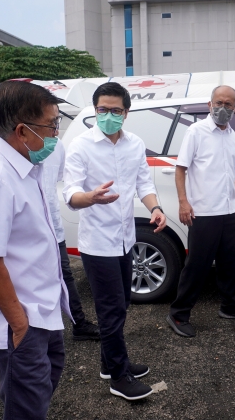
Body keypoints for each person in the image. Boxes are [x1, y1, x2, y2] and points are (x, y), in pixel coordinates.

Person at [0, 80, 72, 420]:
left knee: (38, 388)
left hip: (40, 306)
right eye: (52, 125)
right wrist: (20, 325)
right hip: (20, 317)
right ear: (23, 131)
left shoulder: (25, 166)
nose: (56, 133)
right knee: (28, 404)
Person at [63, 82, 166, 401]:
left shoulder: (135, 143)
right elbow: (70, 193)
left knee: (121, 304)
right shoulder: (80, 146)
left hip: (125, 239)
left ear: (126, 112)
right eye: (102, 110)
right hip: (97, 244)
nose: (108, 115)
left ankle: (110, 363)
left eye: (116, 110)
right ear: (95, 110)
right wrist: (89, 198)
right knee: (110, 310)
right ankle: (118, 378)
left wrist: (156, 207)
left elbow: (143, 182)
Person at [167, 85, 235, 339]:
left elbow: (234, 172)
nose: (222, 108)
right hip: (203, 212)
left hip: (228, 211)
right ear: (209, 104)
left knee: (231, 264)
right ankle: (178, 313)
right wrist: (184, 203)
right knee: (197, 266)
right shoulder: (196, 131)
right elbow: (181, 169)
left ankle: (230, 307)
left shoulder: (231, 134)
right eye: (218, 102)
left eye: (228, 104)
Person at [43, 139, 100, 341]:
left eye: (56, 122)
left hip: (53, 226)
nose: (55, 129)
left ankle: (79, 323)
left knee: (65, 276)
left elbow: (62, 180)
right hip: (29, 232)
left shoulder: (56, 145)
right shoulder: (19, 147)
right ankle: (37, 330)